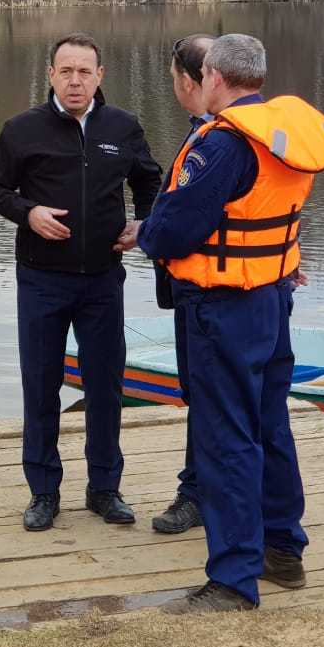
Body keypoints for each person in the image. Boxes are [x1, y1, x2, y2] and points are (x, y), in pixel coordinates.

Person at [120, 33, 324, 612]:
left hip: (221, 310)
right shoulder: (286, 136)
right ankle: (283, 551)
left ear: (213, 76)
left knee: (226, 441)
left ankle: (233, 581)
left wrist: (149, 231)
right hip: (271, 298)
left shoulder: (221, 145)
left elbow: (170, 232)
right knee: (270, 427)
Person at [0, 32, 162, 533]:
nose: (76, 80)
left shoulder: (122, 127)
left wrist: (144, 224)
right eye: (67, 71)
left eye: (85, 71)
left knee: (106, 387)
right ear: (51, 75)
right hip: (42, 279)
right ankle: (43, 492)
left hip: (103, 280)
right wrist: (28, 212)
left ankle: (105, 488)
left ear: (100, 76)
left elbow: (150, 179)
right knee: (41, 386)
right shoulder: (23, 129)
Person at [149, 33, 214, 538]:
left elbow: (181, 222)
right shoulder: (238, 132)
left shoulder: (218, 141)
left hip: (213, 296)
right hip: (244, 289)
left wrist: (145, 233)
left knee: (210, 397)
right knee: (216, 398)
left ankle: (198, 494)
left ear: (189, 82)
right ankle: (202, 490)